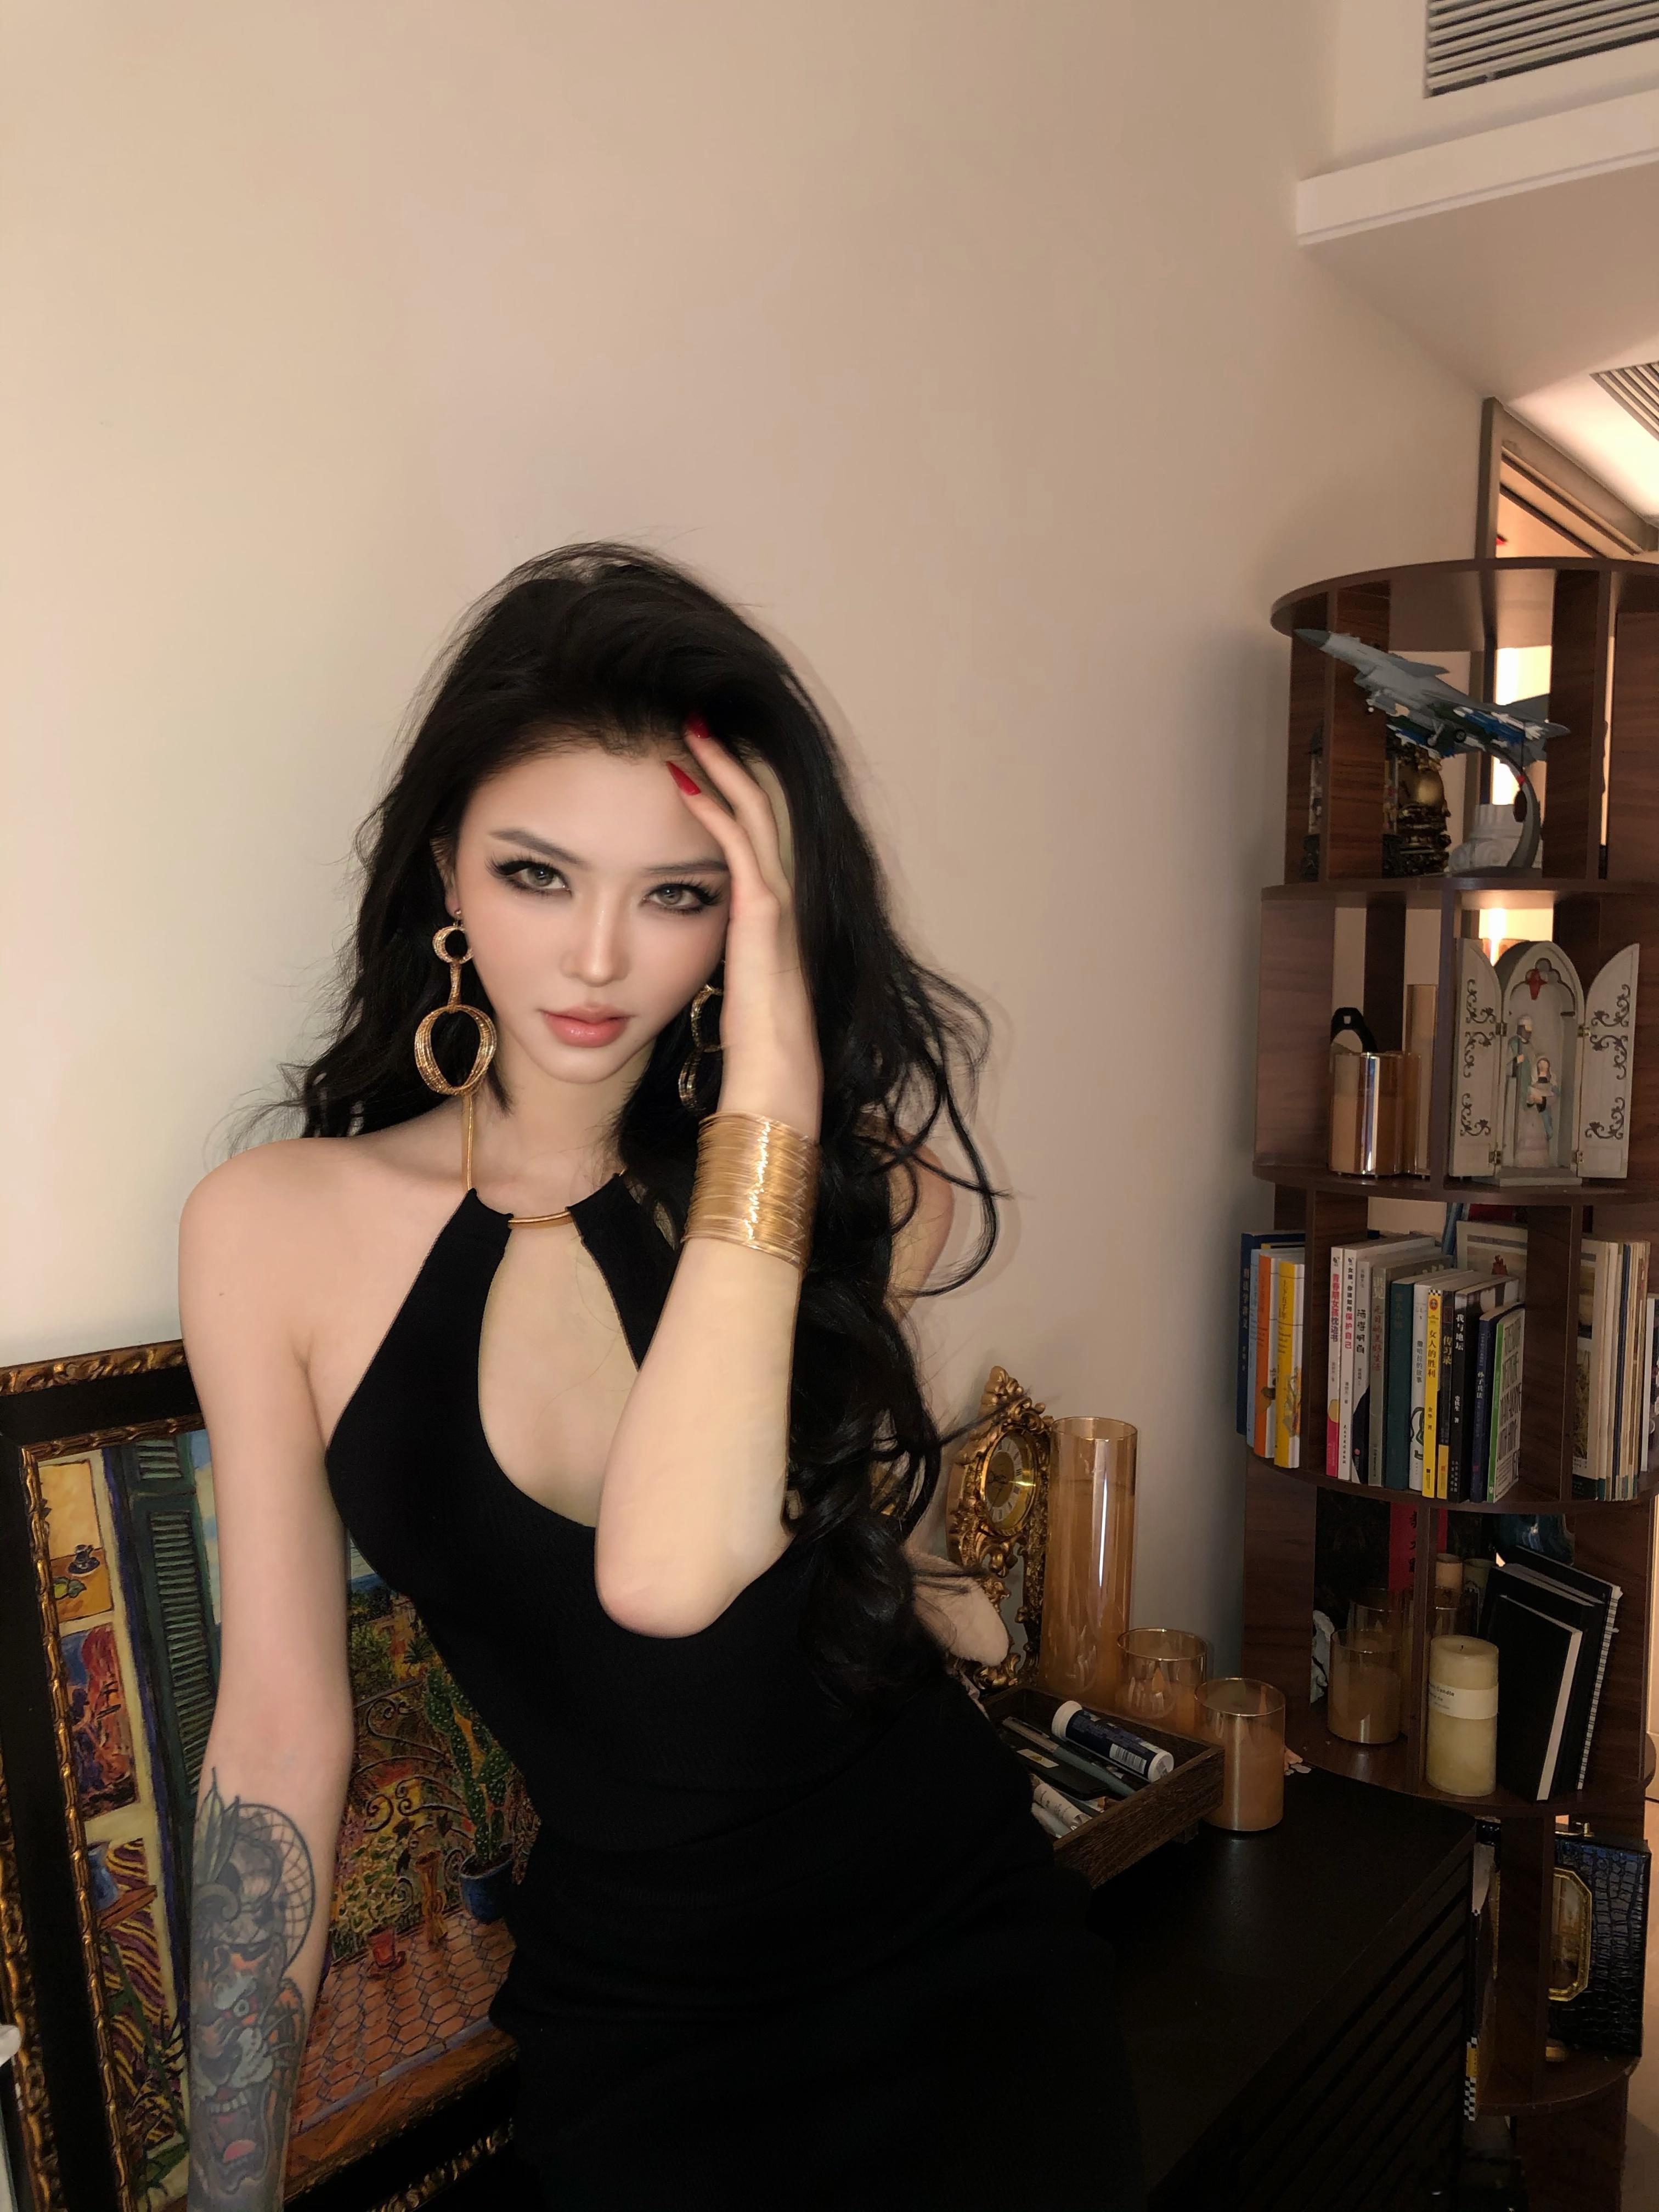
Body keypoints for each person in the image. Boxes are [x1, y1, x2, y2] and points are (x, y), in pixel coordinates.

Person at [179, 543, 1144, 2211]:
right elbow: (275, 1737)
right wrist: (226, 2195)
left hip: (961, 1959)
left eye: (681, 895)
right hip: (646, 2021)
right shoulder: (273, 1230)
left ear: (756, 922)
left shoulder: (850, 1188)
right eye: (538, 875)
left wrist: (774, 1076)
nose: (599, 958)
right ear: (445, 867)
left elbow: (672, 1570)